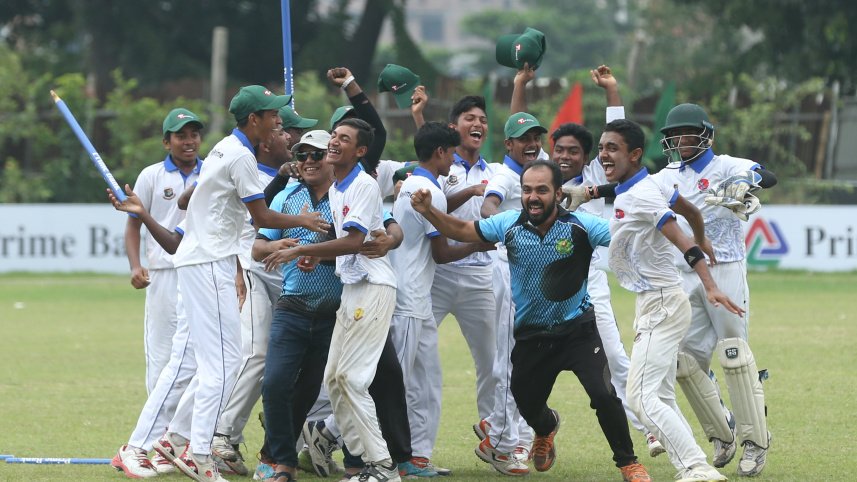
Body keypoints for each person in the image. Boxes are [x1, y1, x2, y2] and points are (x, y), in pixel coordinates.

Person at [411, 160, 652, 482]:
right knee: (525, 403)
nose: (533, 197)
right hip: (531, 337)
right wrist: (429, 211)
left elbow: (627, 237)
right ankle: (547, 426)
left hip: (578, 331)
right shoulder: (508, 224)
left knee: (603, 394)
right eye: (527, 190)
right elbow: (461, 230)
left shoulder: (582, 226)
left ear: (557, 193)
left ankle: (629, 463)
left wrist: (660, 218)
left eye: (541, 190)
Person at [166, 85, 328, 482]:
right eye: (273, 115)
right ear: (254, 119)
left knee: (222, 362)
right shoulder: (240, 156)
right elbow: (262, 219)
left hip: (212, 261)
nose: (279, 122)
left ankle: (190, 446)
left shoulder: (227, 148)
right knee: (228, 362)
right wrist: (306, 221)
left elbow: (226, 213)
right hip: (209, 263)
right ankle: (197, 447)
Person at [512, 63, 664, 455]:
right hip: (535, 288)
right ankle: (526, 434)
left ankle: (648, 428)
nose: (564, 156)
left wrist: (611, 89)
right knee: (517, 372)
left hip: (588, 283)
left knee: (614, 356)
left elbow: (620, 131)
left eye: (574, 151)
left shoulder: (597, 174)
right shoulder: (543, 177)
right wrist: (520, 85)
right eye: (558, 150)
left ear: (587, 157)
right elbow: (518, 127)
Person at [598, 118, 743, 482]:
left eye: (612, 148)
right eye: (601, 148)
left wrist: (709, 282)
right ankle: (694, 463)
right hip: (653, 301)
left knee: (642, 398)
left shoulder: (644, 194)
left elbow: (680, 238)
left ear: (634, 155)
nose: (603, 155)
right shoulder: (643, 186)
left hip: (662, 303)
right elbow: (691, 211)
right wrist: (702, 234)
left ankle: (696, 468)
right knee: (657, 395)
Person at [262, 118, 400, 482]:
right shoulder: (339, 187)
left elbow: (355, 242)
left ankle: (381, 467)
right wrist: (318, 256)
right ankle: (365, 466)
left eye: (343, 139)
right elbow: (349, 247)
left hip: (373, 288)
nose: (335, 143)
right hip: (352, 289)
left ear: (360, 151)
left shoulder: (363, 185)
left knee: (352, 381)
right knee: (337, 380)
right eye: (334, 137)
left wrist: (300, 250)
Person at [655, 104, 775, 477]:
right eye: (676, 135)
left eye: (688, 133)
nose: (681, 141)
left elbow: (765, 175)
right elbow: (632, 190)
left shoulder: (726, 165)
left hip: (725, 269)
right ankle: (723, 432)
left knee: (734, 355)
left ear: (706, 134)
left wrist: (746, 182)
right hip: (685, 273)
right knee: (685, 363)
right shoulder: (668, 174)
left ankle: (756, 442)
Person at [387, 121, 495, 475]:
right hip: (408, 299)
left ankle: (416, 456)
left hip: (415, 300)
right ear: (439, 153)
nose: (453, 161)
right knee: (397, 384)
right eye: (451, 153)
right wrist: (481, 243)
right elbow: (442, 253)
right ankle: (357, 447)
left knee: (427, 381)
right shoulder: (426, 190)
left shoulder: (416, 184)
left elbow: (442, 209)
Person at [210, 124, 296, 476]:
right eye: (285, 131)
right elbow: (245, 227)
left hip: (293, 280)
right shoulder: (249, 168)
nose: (292, 139)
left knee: (303, 366)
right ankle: (221, 437)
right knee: (256, 353)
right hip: (256, 274)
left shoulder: (307, 170)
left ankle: (299, 440)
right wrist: (238, 272)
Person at [473, 111, 548, 474]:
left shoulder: (540, 167)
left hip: (537, 273)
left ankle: (500, 428)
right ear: (509, 145)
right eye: (524, 138)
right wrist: (513, 223)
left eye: (536, 136)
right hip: (510, 271)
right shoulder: (504, 175)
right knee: (510, 356)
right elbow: (489, 206)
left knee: (530, 356)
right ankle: (503, 442)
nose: (532, 143)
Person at [124, 108, 203, 395]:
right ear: (166, 142)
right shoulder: (151, 176)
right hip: (163, 275)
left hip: (200, 272)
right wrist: (135, 266)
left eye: (193, 134)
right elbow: (133, 226)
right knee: (162, 354)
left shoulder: (211, 173)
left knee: (199, 356)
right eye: (180, 136)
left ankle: (191, 433)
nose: (188, 141)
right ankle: (156, 432)